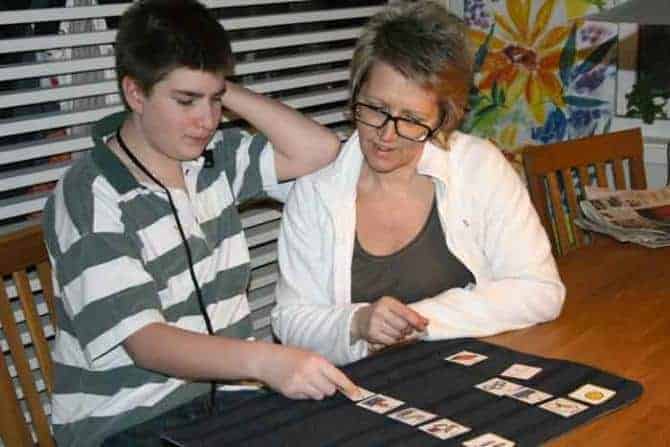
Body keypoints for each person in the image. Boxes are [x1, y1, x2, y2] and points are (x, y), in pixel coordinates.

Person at [42, 1, 357, 445]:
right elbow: (147, 342)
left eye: (215, 100)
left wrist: (217, 84)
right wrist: (265, 361)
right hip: (124, 422)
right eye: (185, 100)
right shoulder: (90, 194)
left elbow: (319, 150)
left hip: (226, 400)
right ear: (135, 93)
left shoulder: (215, 159)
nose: (207, 121)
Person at [271, 0, 566, 366]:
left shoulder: (479, 167)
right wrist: (357, 323)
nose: (386, 135)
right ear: (356, 94)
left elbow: (540, 291)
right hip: (361, 386)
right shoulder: (315, 191)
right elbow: (291, 322)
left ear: (444, 118)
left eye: (411, 119)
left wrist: (415, 322)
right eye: (375, 109)